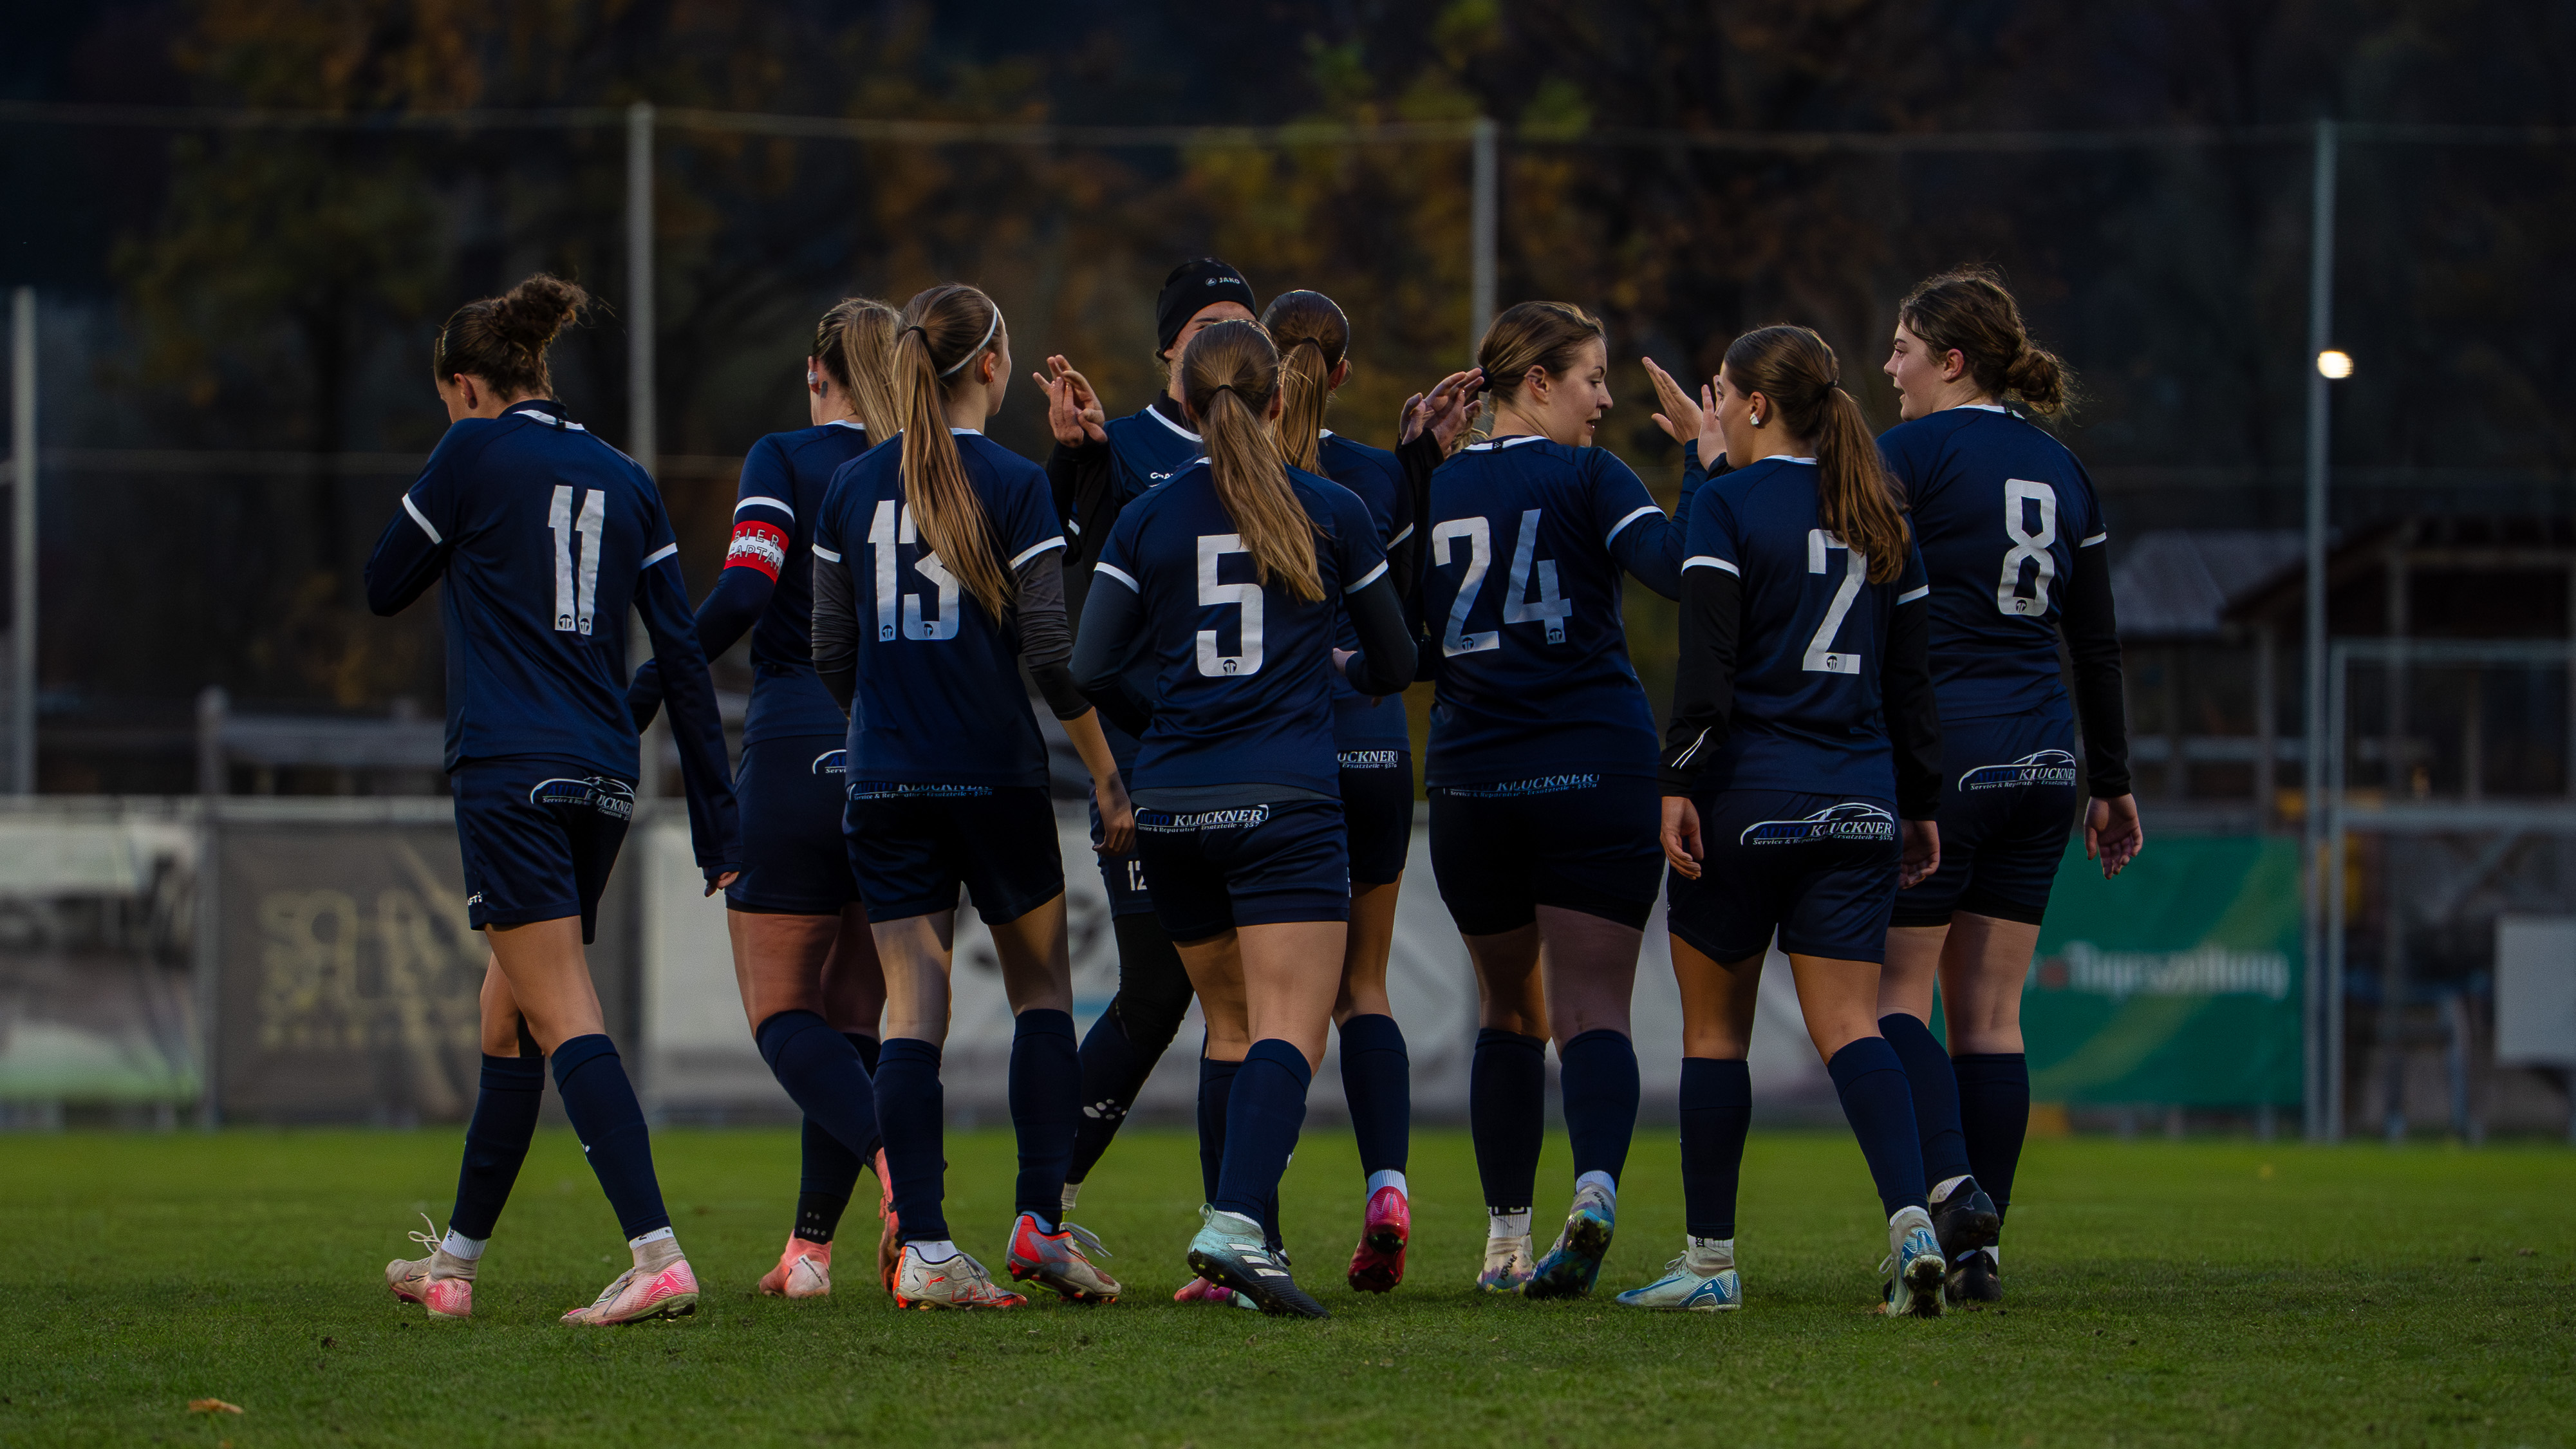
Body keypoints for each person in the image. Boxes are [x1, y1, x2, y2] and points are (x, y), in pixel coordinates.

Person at [368, 274, 741, 1326]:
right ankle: (454, 1267)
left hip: (509, 770)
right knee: (509, 1020)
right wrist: (718, 820)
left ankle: (657, 1254)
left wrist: (458, 500)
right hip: (604, 776)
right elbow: (681, 656)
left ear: (465, 385)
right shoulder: (625, 476)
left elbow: (383, 583)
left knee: (563, 1009)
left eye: (448, 401)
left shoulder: (470, 453)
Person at [1070, 317, 1415, 1318]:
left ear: (1180, 402)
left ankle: (1241, 1252)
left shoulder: (1146, 516)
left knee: (1229, 1027)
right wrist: (1341, 666)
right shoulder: (1331, 506)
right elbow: (1396, 662)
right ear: (1280, 398)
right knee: (1289, 1031)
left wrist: (1166, 719)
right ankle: (1234, 1225)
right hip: (1285, 802)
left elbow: (1088, 666)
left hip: (1172, 805)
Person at [809, 283, 1134, 1310]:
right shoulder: (1012, 482)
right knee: (1043, 996)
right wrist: (1106, 768)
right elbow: (1049, 649)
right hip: (994, 776)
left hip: (887, 779)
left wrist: (885, 721)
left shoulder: (851, 483)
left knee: (914, 1011)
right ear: (991, 365)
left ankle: (928, 1250)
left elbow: (829, 650)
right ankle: (1040, 1225)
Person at [1624, 324, 1948, 1317]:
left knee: (1713, 1037)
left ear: (1757, 405)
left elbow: (1708, 666)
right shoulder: (1881, 511)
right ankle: (1912, 1225)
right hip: (1859, 800)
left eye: (1722, 394)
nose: (1714, 408)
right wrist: (1919, 804)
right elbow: (1911, 686)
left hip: (1749, 800)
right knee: (1852, 1026)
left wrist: (1676, 781)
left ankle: (1710, 1265)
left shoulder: (1725, 504)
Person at [1414, 301, 1695, 1299]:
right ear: (1536, 383)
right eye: (1591, 378)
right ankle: (1595, 1186)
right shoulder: (1590, 474)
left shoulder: (1435, 485)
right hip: (1593, 766)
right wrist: (1704, 461)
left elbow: (1400, 638)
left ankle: (1504, 1243)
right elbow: (1675, 571)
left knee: (1506, 1008)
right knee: (1592, 1008)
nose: (1605, 400)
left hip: (1473, 778)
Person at [626, 298, 904, 1302]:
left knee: (783, 1009)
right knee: (855, 1013)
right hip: (904, 751)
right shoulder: (925, 466)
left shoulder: (784, 457)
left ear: (814, 371)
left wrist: (655, 678)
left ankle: (901, 1173)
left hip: (798, 739)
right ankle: (810, 1252)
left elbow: (746, 591)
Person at [1876, 267, 2139, 1304]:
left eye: (1902, 349)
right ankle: (1980, 1256)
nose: (1888, 368)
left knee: (1889, 1003)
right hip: (2044, 761)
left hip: (1946, 758)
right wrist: (2111, 782)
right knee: (1989, 1018)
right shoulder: (2062, 466)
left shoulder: (1909, 454)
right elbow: (2097, 643)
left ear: (1951, 361)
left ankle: (1951, 1191)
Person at [1030, 259, 1266, 1290]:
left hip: (1249, 765)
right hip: (1149, 768)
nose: (1226, 337)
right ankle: (1050, 1203)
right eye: (1207, 323)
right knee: (1163, 990)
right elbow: (1070, 602)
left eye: (1242, 322)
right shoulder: (1121, 446)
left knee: (1223, 1000)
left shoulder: (1270, 447)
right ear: (1169, 346)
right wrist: (1074, 458)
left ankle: (1220, 1231)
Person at [1260, 287, 1419, 1293]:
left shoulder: (1233, 478)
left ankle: (1250, 1218)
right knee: (1366, 988)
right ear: (1343, 373)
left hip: (1286, 757)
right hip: (1375, 748)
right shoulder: (1375, 478)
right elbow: (1406, 622)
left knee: (1264, 1013)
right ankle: (1388, 1187)